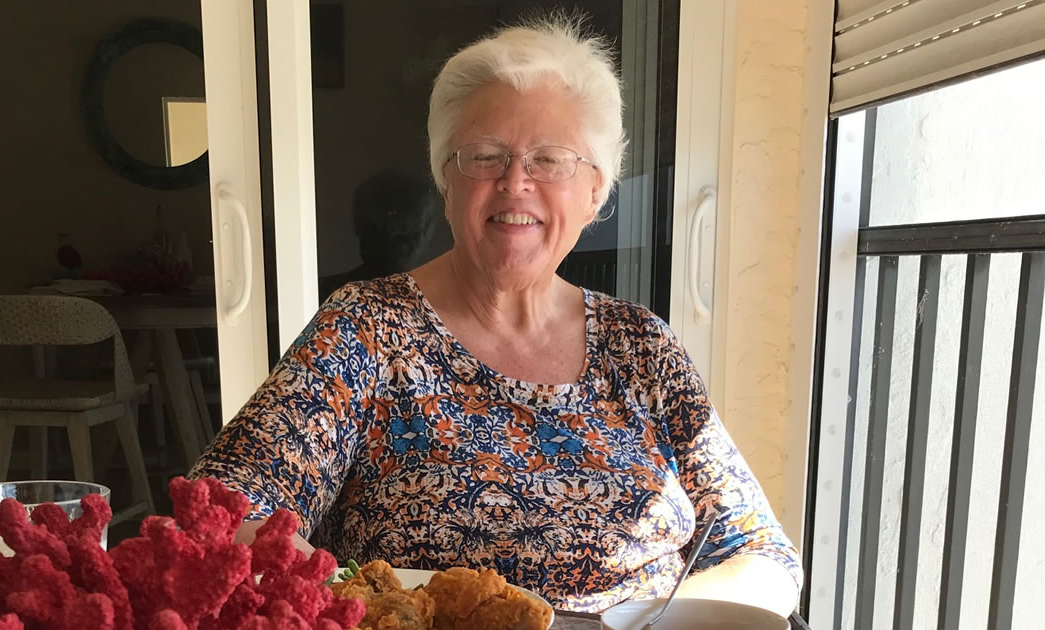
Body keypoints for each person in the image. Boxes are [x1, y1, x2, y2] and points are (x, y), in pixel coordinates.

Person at [190, 15, 802, 615]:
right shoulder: (367, 330)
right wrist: (345, 605)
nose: (516, 182)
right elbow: (222, 509)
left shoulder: (642, 346)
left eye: (551, 160)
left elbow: (762, 556)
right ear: (446, 181)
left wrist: (644, 624)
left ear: (595, 192)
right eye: (485, 155)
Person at [318, 168, 438, 302]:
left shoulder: (441, 303)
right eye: (381, 225)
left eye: (408, 231)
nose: (393, 232)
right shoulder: (322, 296)